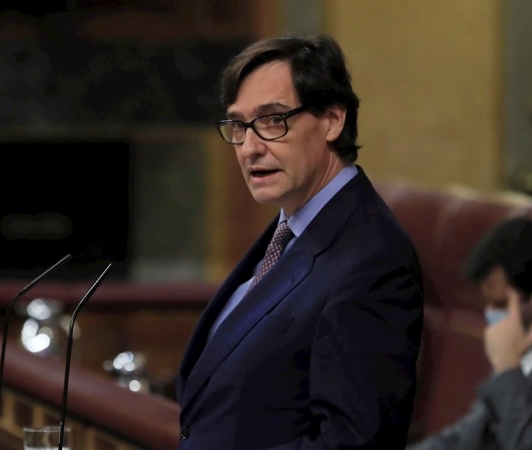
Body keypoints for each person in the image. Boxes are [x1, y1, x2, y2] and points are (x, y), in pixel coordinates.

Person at [175, 33, 424, 449]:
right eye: (238, 125)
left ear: (332, 120)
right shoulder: (291, 228)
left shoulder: (373, 260)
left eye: (273, 120)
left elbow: (354, 442)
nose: (249, 148)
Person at [406, 216, 532, 450]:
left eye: (500, 304)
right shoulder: (524, 352)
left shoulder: (512, 360)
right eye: (486, 305)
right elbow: (465, 438)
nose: (492, 317)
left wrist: (508, 369)